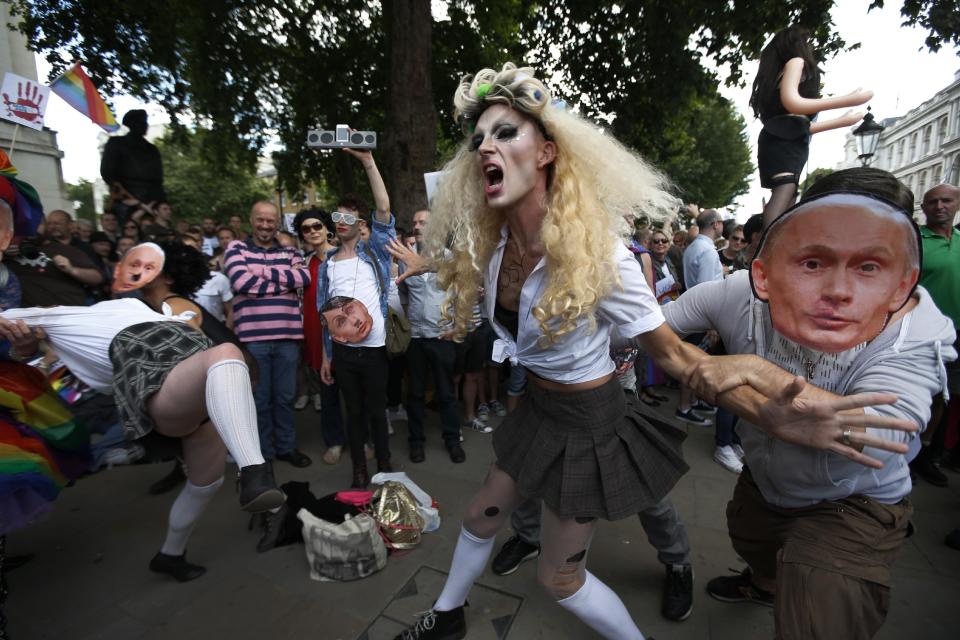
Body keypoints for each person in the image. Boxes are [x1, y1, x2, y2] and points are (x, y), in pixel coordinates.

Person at [385, 63, 914, 640]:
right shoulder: (493, 246)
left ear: (546, 153)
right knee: (478, 515)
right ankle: (448, 614)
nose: (485, 144)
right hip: (536, 409)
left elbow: (681, 358)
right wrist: (425, 264)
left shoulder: (603, 257)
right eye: (479, 136)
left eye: (506, 132)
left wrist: (777, 417)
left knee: (560, 579)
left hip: (588, 425)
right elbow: (467, 269)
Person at [668, 171, 949, 640]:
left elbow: (887, 434)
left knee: (821, 610)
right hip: (764, 479)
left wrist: (758, 372)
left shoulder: (917, 324)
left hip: (854, 500)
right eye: (816, 257)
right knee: (752, 541)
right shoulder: (739, 292)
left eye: (868, 263)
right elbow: (651, 327)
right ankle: (762, 583)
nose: (839, 290)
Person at [1, 243, 285, 584]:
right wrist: (25, 347)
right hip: (163, 384)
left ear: (167, 274)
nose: (134, 271)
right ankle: (254, 471)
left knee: (205, 485)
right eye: (129, 264)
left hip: (207, 395)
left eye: (148, 267)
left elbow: (195, 324)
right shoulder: (86, 314)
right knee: (224, 353)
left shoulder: (172, 306)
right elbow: (20, 327)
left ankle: (170, 555)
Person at [315, 149, 396, 489]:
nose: (341, 221)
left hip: (374, 349)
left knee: (378, 411)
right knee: (354, 414)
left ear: (361, 224)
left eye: (350, 217)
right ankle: (359, 469)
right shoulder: (328, 264)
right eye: (338, 215)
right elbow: (324, 315)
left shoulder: (374, 253)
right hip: (343, 352)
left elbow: (384, 209)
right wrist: (326, 357)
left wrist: (368, 162)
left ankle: (387, 464)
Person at [750, 25, 873, 226]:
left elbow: (800, 126)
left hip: (785, 140)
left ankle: (773, 249)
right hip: (785, 144)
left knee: (787, 196)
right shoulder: (796, 62)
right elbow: (793, 102)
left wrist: (843, 120)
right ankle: (768, 250)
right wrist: (849, 99)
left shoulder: (780, 75)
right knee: (784, 192)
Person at [225, 202, 312, 468]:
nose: (265, 225)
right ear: (252, 221)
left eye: (270, 220)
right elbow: (241, 282)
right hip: (253, 340)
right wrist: (284, 283)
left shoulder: (290, 250)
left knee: (285, 397)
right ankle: (263, 452)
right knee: (259, 400)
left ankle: (286, 447)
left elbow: (304, 278)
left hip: (287, 337)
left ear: (277, 223)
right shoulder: (235, 248)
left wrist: (260, 273)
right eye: (260, 220)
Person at [401, 209, 469, 464]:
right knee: (415, 394)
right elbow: (405, 296)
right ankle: (416, 442)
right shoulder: (405, 259)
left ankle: (453, 440)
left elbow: (463, 295)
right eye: (415, 221)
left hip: (443, 337)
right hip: (416, 338)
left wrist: (457, 327)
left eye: (423, 222)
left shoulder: (450, 258)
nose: (417, 226)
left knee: (446, 394)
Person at [911, 182, 960, 488]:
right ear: (924, 207)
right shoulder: (915, 243)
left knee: (945, 395)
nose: (940, 206)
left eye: (946, 200)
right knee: (917, 392)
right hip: (920, 332)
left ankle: (926, 455)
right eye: (932, 201)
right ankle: (905, 454)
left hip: (957, 334)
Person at [292, 208, 344, 465]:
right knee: (328, 393)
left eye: (317, 226)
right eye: (306, 229)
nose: (312, 231)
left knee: (357, 394)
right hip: (316, 336)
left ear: (326, 228)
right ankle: (334, 441)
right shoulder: (302, 265)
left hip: (347, 336)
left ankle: (364, 439)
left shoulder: (344, 257)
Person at [4, 209, 104, 307]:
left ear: (46, 227)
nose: (31, 228)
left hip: (66, 315)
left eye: (37, 223)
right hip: (25, 319)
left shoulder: (65, 250)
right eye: (26, 225)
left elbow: (97, 278)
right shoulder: (7, 251)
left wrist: (72, 270)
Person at [100, 109, 165, 223]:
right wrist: (126, 196)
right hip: (126, 196)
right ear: (132, 124)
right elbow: (107, 172)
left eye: (145, 122)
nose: (145, 125)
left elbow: (158, 179)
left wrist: (155, 202)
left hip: (151, 198)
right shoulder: (116, 143)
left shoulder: (152, 149)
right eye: (141, 122)